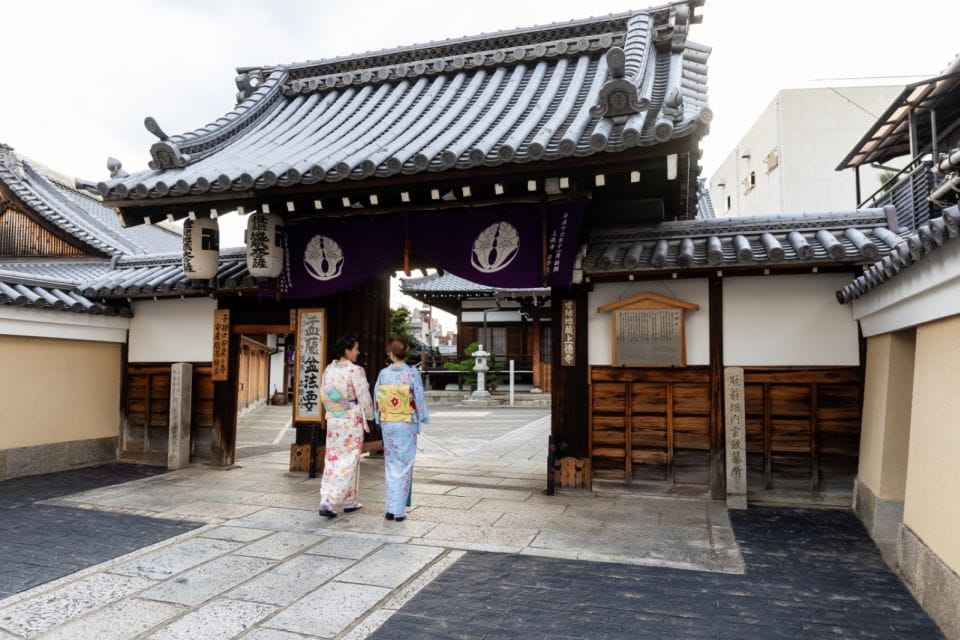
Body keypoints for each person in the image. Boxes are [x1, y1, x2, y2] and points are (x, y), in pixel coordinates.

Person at [317, 335, 374, 519]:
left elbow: (325, 392)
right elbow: (363, 395)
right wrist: (370, 415)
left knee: (333, 457)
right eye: (355, 349)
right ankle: (329, 499)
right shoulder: (355, 370)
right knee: (349, 459)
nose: (358, 352)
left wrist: (338, 409)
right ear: (347, 351)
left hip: (334, 417)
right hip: (350, 419)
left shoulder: (329, 369)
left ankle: (349, 500)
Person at [374, 338, 429, 522]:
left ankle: (390, 509)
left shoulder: (384, 374)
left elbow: (377, 398)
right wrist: (421, 417)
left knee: (391, 463)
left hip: (388, 421)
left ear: (391, 354)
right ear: (405, 353)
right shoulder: (411, 373)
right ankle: (398, 511)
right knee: (404, 464)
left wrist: (379, 417)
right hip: (406, 422)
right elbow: (418, 398)